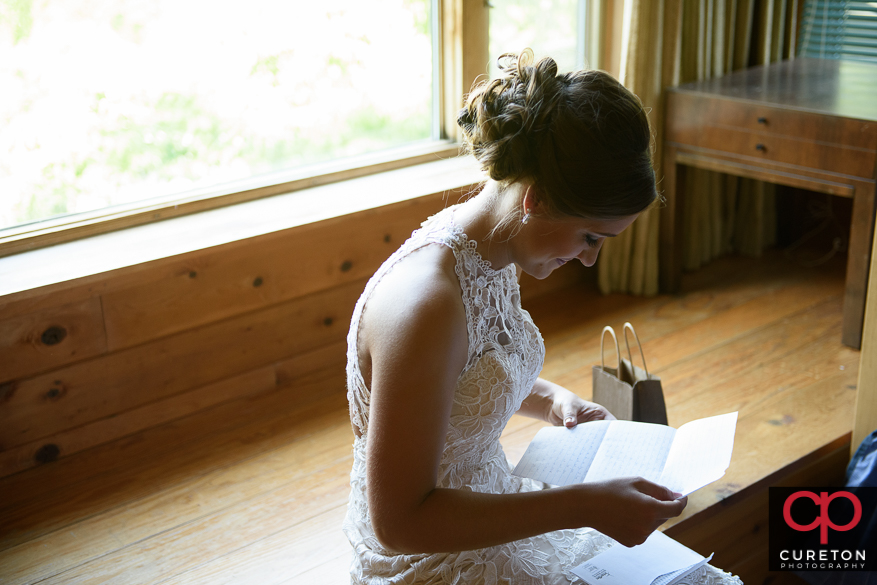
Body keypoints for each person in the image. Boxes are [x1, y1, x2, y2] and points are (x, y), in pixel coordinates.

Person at [343, 49, 743, 585]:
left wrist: (553, 398)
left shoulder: (490, 249)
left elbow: (464, 373)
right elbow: (399, 522)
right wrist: (583, 506)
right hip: (429, 551)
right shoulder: (426, 303)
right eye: (590, 236)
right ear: (535, 199)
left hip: (493, 502)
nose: (590, 258)